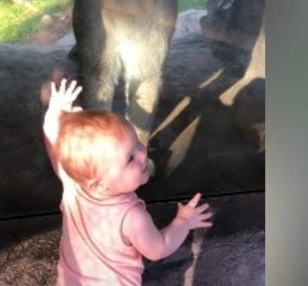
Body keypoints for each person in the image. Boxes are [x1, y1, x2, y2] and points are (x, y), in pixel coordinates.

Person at [43, 79, 213, 285]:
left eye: (137, 143)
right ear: (100, 183)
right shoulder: (131, 216)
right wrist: (184, 221)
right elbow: (158, 249)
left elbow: (53, 146)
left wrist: (54, 114)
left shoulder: (73, 186)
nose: (142, 155)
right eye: (130, 158)